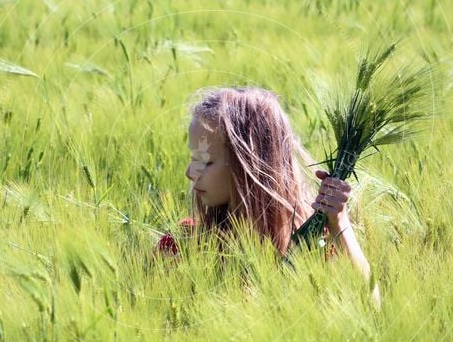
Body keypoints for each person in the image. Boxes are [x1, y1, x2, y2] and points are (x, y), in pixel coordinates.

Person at [156, 86, 380, 306]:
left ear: (249, 167)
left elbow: (369, 309)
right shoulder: (181, 244)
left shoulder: (314, 244)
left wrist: (340, 224)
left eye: (204, 161)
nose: (188, 173)